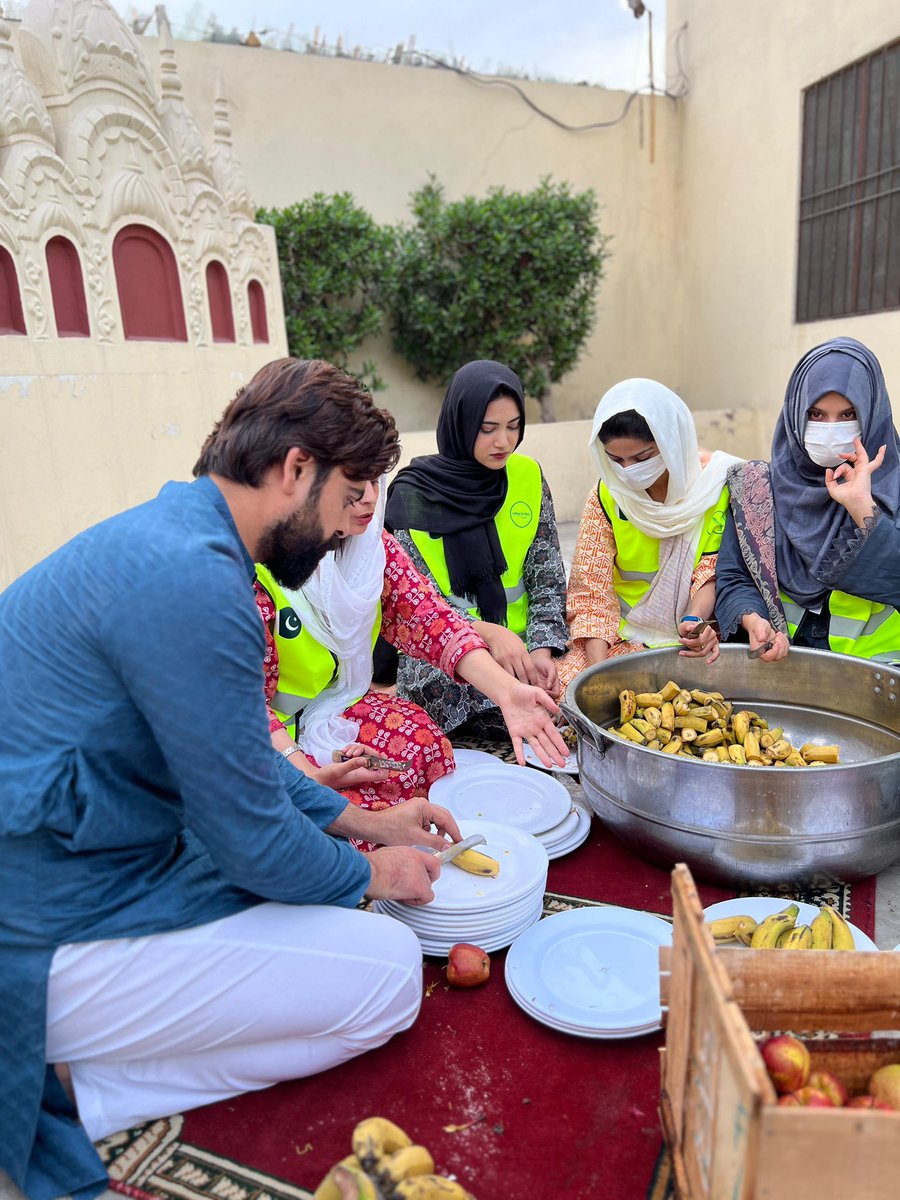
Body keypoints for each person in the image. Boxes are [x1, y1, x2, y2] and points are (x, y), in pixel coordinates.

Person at [0, 359, 474, 1200]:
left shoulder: (175, 540)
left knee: (305, 895)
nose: (347, 527)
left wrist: (361, 823)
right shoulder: (194, 581)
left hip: (72, 865)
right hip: (39, 924)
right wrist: (374, 872)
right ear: (296, 469)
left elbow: (234, 756)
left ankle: (83, 1081)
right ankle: (71, 1079)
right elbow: (250, 838)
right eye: (348, 495)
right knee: (388, 974)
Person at [250, 474, 569, 848]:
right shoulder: (253, 567)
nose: (370, 499)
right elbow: (239, 702)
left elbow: (428, 617)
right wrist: (304, 774)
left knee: (425, 746)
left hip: (332, 704)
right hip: (258, 737)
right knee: (346, 816)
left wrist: (508, 691)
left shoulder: (369, 547)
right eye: (354, 486)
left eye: (375, 481)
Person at [384, 360, 568, 736]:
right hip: (446, 652)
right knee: (456, 686)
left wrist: (542, 650)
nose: (504, 442)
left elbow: (547, 577)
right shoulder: (413, 497)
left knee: (574, 683)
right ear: (461, 423)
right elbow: (413, 609)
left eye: (514, 427)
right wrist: (486, 635)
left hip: (525, 648)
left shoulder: (528, 477)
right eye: (487, 429)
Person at [715, 337, 900, 661]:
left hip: (881, 679)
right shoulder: (757, 488)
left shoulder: (893, 486)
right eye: (816, 414)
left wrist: (864, 509)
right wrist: (752, 617)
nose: (830, 429)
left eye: (847, 415)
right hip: (786, 673)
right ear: (795, 413)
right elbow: (734, 578)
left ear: (871, 413)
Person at [557, 379, 741, 690]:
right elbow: (591, 593)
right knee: (565, 696)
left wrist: (695, 622)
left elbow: (712, 571)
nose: (629, 471)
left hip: (696, 639)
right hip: (619, 641)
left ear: (672, 441)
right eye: (616, 460)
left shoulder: (716, 487)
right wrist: (601, 676)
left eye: (642, 458)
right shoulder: (607, 496)